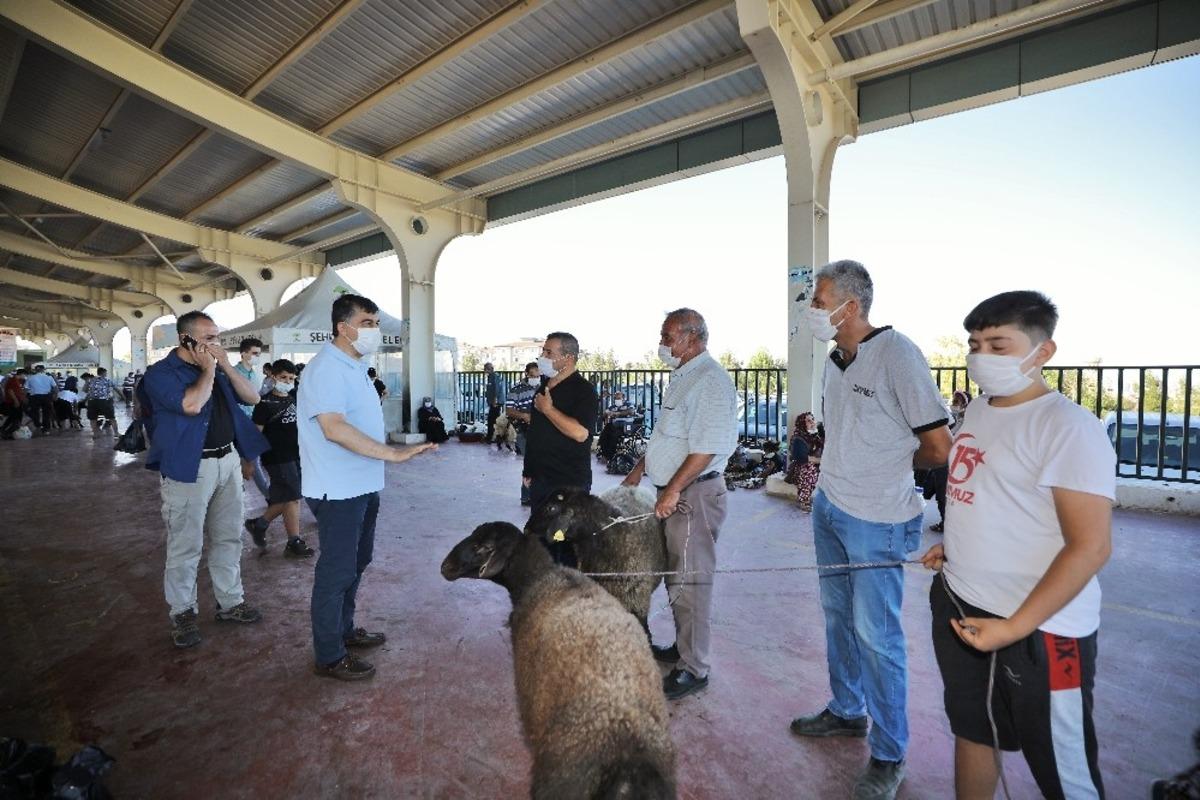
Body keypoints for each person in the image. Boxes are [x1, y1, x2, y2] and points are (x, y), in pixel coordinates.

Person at [920, 291, 1113, 800]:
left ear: (1042, 352)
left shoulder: (1069, 428)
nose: (981, 356)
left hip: (1041, 630)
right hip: (962, 603)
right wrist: (959, 547)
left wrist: (1014, 627)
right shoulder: (980, 411)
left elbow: (1090, 547)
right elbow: (986, 493)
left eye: (998, 345)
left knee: (1062, 771)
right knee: (973, 730)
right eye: (975, 344)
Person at [789, 260, 952, 800]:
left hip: (876, 518)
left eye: (819, 299)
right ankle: (847, 709)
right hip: (830, 508)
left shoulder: (898, 354)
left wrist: (885, 472)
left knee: (877, 637)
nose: (811, 308)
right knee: (838, 619)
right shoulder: (836, 358)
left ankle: (889, 753)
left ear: (850, 306)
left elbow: (937, 445)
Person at [298, 293, 436, 681]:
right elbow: (334, 427)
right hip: (337, 489)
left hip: (360, 485)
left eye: (375, 323)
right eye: (368, 324)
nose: (375, 331)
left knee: (356, 563)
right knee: (336, 571)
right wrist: (391, 454)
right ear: (343, 328)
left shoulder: (355, 366)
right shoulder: (326, 369)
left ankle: (343, 630)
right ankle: (329, 654)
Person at [621, 309, 737, 702]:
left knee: (692, 583)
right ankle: (684, 649)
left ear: (692, 337)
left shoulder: (710, 381)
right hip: (675, 490)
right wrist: (641, 469)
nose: (662, 344)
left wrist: (671, 491)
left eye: (668, 336)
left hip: (693, 495)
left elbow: (705, 450)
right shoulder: (684, 378)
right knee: (677, 578)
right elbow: (668, 438)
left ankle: (695, 667)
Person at [141, 311, 269, 649]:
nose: (215, 344)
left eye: (217, 338)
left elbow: (253, 398)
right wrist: (210, 369)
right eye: (208, 339)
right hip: (188, 467)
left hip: (226, 460)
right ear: (185, 340)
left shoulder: (220, 369)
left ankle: (231, 601)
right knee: (186, 544)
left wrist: (225, 366)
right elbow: (192, 404)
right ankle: (182, 612)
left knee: (229, 537)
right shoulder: (160, 374)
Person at [522, 332, 597, 565]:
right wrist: (529, 469)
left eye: (548, 352)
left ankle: (569, 593)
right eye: (543, 351)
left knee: (563, 542)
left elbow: (580, 433)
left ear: (568, 358)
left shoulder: (583, 391)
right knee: (541, 542)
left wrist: (549, 410)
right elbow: (537, 432)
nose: (542, 357)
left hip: (568, 483)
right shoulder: (544, 387)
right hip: (541, 481)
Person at [245, 359, 313, 558]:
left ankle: (259, 524)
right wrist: (249, 461)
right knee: (292, 497)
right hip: (276, 457)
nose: (288, 381)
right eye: (283, 377)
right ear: (273, 377)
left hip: (296, 455)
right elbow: (254, 435)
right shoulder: (264, 404)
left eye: (291, 378)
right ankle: (293, 541)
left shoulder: (294, 398)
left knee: (288, 497)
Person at [924, 389, 972, 533]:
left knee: (948, 495)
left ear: (965, 404)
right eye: (953, 402)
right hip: (945, 460)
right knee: (940, 494)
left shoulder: (969, 421)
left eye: (956, 402)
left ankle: (951, 524)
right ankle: (945, 522)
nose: (953, 405)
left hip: (956, 462)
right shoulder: (952, 419)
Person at [233, 338, 269, 500]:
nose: (257, 357)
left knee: (253, 460)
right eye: (254, 353)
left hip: (254, 422)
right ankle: (268, 496)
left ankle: (240, 494)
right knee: (250, 461)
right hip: (239, 423)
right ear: (243, 353)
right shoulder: (233, 373)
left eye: (259, 354)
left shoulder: (254, 374)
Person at [505, 362, 539, 505]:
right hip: (524, 431)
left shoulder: (546, 388)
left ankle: (539, 494)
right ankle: (526, 496)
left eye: (538, 375)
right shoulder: (516, 390)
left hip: (543, 431)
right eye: (533, 375)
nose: (536, 377)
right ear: (526, 374)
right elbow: (509, 410)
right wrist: (524, 416)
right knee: (530, 463)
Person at [785, 412, 824, 512]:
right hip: (801, 468)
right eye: (808, 420)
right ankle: (804, 500)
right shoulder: (799, 438)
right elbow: (802, 458)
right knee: (808, 468)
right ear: (802, 424)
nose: (812, 422)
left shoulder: (816, 435)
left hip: (818, 464)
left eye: (812, 419)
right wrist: (821, 461)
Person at [85, 367, 119, 437]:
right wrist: (124, 398)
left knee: (93, 418)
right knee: (112, 417)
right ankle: (116, 433)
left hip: (92, 401)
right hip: (103, 401)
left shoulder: (91, 380)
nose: (106, 374)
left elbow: (85, 390)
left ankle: (95, 434)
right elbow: (116, 389)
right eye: (106, 373)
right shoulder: (107, 380)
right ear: (103, 373)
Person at [25, 364, 56, 435]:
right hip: (46, 397)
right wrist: (55, 396)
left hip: (35, 397)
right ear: (43, 370)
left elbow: (26, 389)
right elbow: (55, 388)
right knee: (46, 413)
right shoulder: (49, 377)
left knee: (35, 412)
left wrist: (25, 397)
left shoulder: (30, 378)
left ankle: (38, 426)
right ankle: (46, 430)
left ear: (35, 370)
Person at [1, 369, 27, 440]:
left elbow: (17, 391)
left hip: (14, 402)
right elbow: (10, 391)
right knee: (17, 419)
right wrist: (16, 401)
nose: (25, 376)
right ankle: (7, 433)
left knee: (12, 418)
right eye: (24, 375)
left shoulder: (16, 381)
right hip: (13, 403)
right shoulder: (13, 380)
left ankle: (3, 430)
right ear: (21, 374)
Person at [483, 362, 502, 443]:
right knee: (492, 420)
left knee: (493, 420)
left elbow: (496, 389)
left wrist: (495, 400)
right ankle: (492, 436)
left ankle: (492, 437)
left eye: (486, 369)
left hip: (496, 402)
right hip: (493, 402)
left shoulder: (495, 376)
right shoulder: (491, 377)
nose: (485, 371)